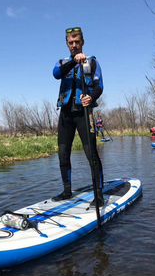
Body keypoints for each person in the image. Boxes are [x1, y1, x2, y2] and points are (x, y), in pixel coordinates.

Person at [52, 27, 104, 207]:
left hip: (84, 113)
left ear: (82, 42)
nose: (74, 45)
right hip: (66, 114)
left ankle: (99, 195)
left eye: (77, 42)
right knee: (63, 154)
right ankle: (67, 191)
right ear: (67, 44)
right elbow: (56, 74)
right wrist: (74, 62)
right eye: (70, 42)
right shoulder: (62, 62)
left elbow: (99, 86)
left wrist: (92, 97)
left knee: (92, 154)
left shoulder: (92, 62)